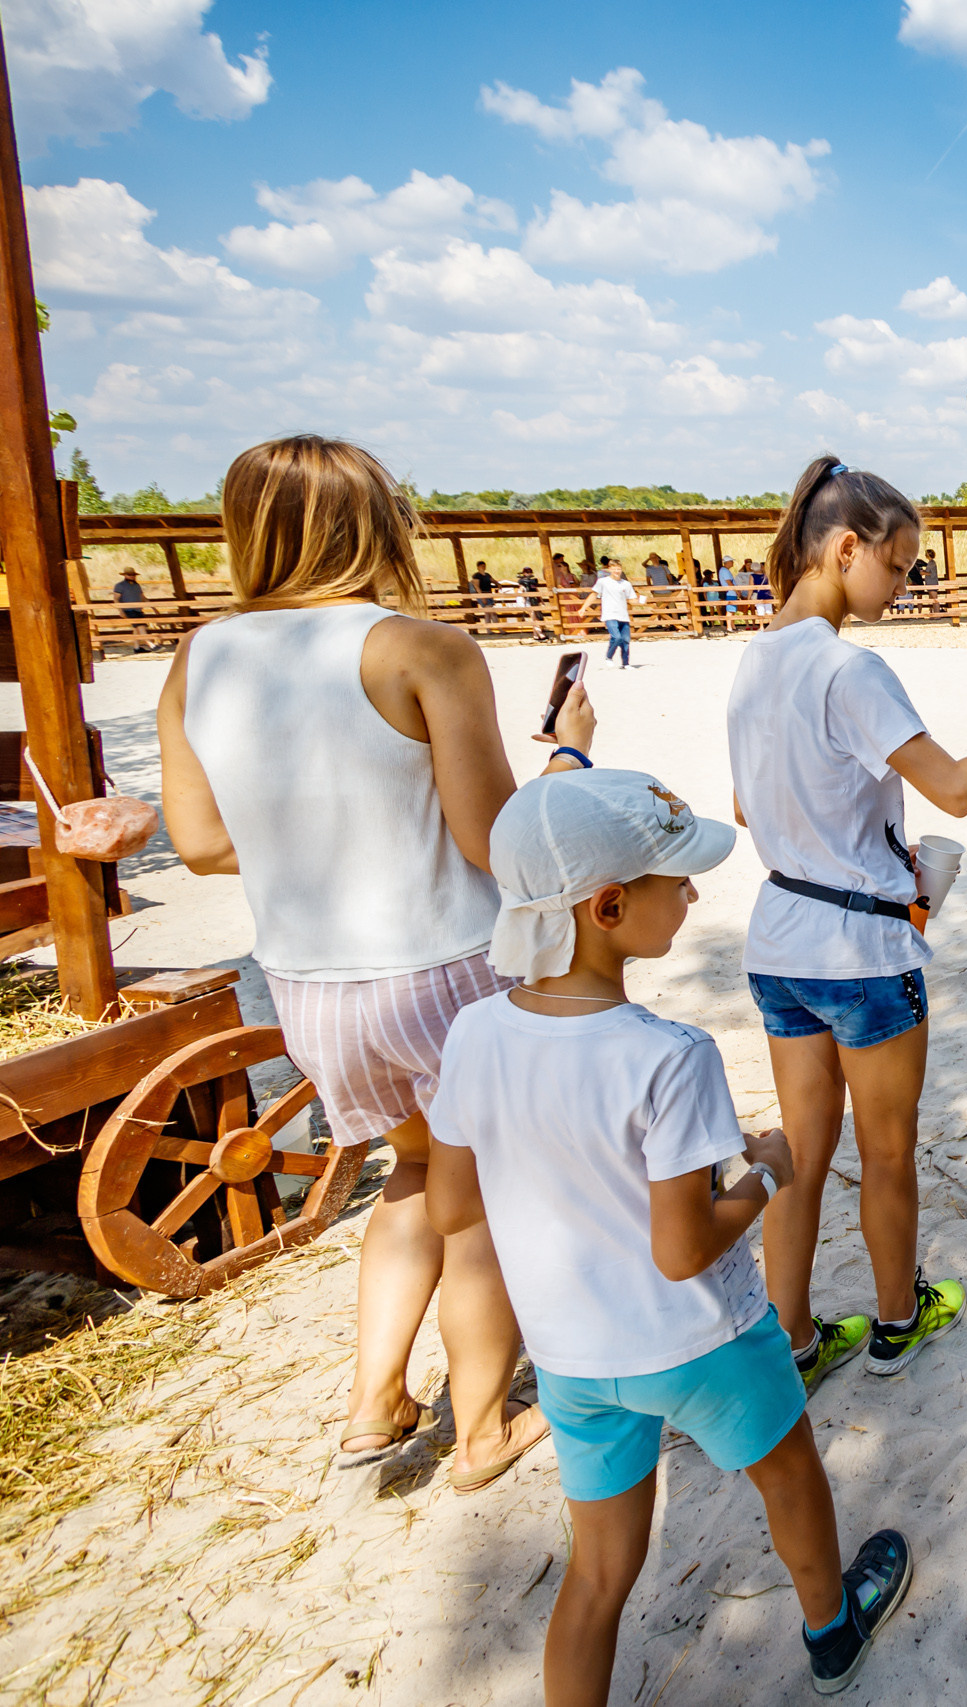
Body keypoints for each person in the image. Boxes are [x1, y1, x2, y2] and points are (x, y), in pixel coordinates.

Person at [425, 767, 917, 1700]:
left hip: (571, 1354)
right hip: (701, 1339)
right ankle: (832, 1628)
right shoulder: (670, 1055)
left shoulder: (474, 1033)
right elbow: (685, 1248)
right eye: (677, 880)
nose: (691, 893)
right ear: (608, 906)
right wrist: (767, 1171)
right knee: (789, 1474)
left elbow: (451, 1208)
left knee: (598, 1570)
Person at [157, 433, 589, 1490]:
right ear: (379, 525)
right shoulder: (420, 649)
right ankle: (480, 1430)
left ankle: (374, 1400)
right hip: (442, 967)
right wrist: (573, 752)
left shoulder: (198, 658)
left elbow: (202, 844)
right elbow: (496, 843)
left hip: (310, 982)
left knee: (415, 1170)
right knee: (479, 1195)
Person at [725, 456, 967, 1392]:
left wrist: (838, 831)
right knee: (888, 1151)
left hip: (780, 934)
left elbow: (746, 808)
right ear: (845, 548)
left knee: (800, 1153)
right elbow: (960, 787)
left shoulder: (754, 660)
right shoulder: (849, 669)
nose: (903, 586)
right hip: (862, 949)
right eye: (897, 566)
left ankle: (794, 1339)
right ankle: (899, 1318)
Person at [577, 560, 645, 669]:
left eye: (618, 569)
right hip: (609, 614)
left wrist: (640, 601)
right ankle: (609, 656)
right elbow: (593, 594)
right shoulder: (603, 582)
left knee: (625, 640)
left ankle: (626, 663)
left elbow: (631, 600)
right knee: (617, 637)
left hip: (623, 615)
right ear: (609, 569)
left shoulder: (626, 584)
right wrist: (583, 607)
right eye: (614, 569)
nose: (617, 571)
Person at [112, 569, 149, 651]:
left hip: (138, 609)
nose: (132, 576)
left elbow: (142, 596)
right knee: (141, 626)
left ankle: (136, 647)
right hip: (129, 610)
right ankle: (150, 644)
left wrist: (152, 605)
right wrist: (120, 611)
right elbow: (116, 599)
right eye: (129, 575)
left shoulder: (137, 586)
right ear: (125, 575)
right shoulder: (119, 586)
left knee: (136, 628)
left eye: (133, 575)